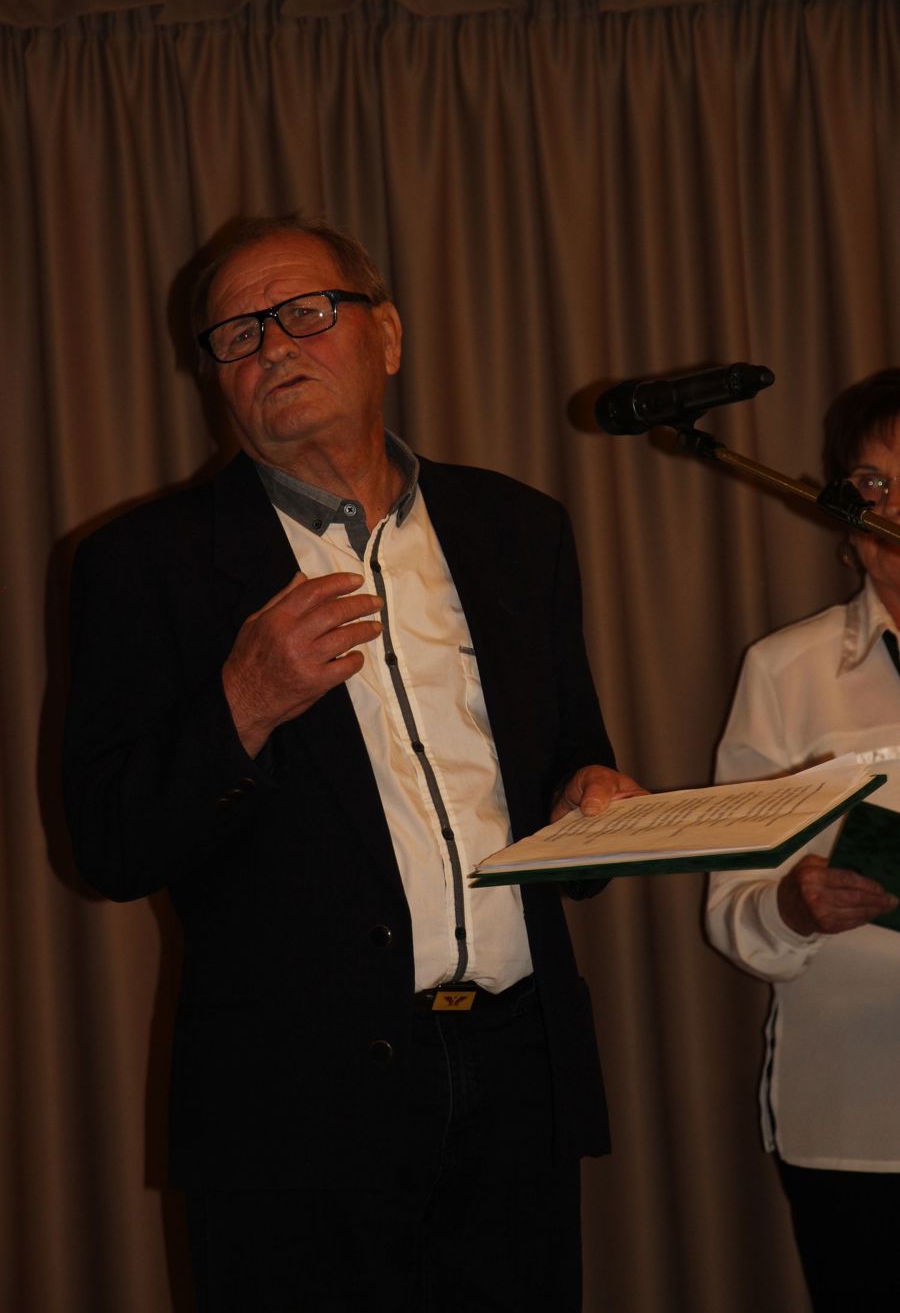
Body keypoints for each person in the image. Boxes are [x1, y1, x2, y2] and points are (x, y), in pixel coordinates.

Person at [63, 212, 643, 1313]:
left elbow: (574, 749)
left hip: (519, 1072)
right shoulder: (143, 565)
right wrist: (243, 702)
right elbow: (110, 845)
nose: (273, 346)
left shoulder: (518, 528)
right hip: (292, 1109)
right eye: (237, 334)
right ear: (216, 378)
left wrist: (590, 794)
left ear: (388, 335)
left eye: (305, 312)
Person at [706, 371, 900, 1313]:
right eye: (872, 485)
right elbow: (732, 912)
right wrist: (792, 906)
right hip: (857, 1121)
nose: (892, 510)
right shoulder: (786, 671)